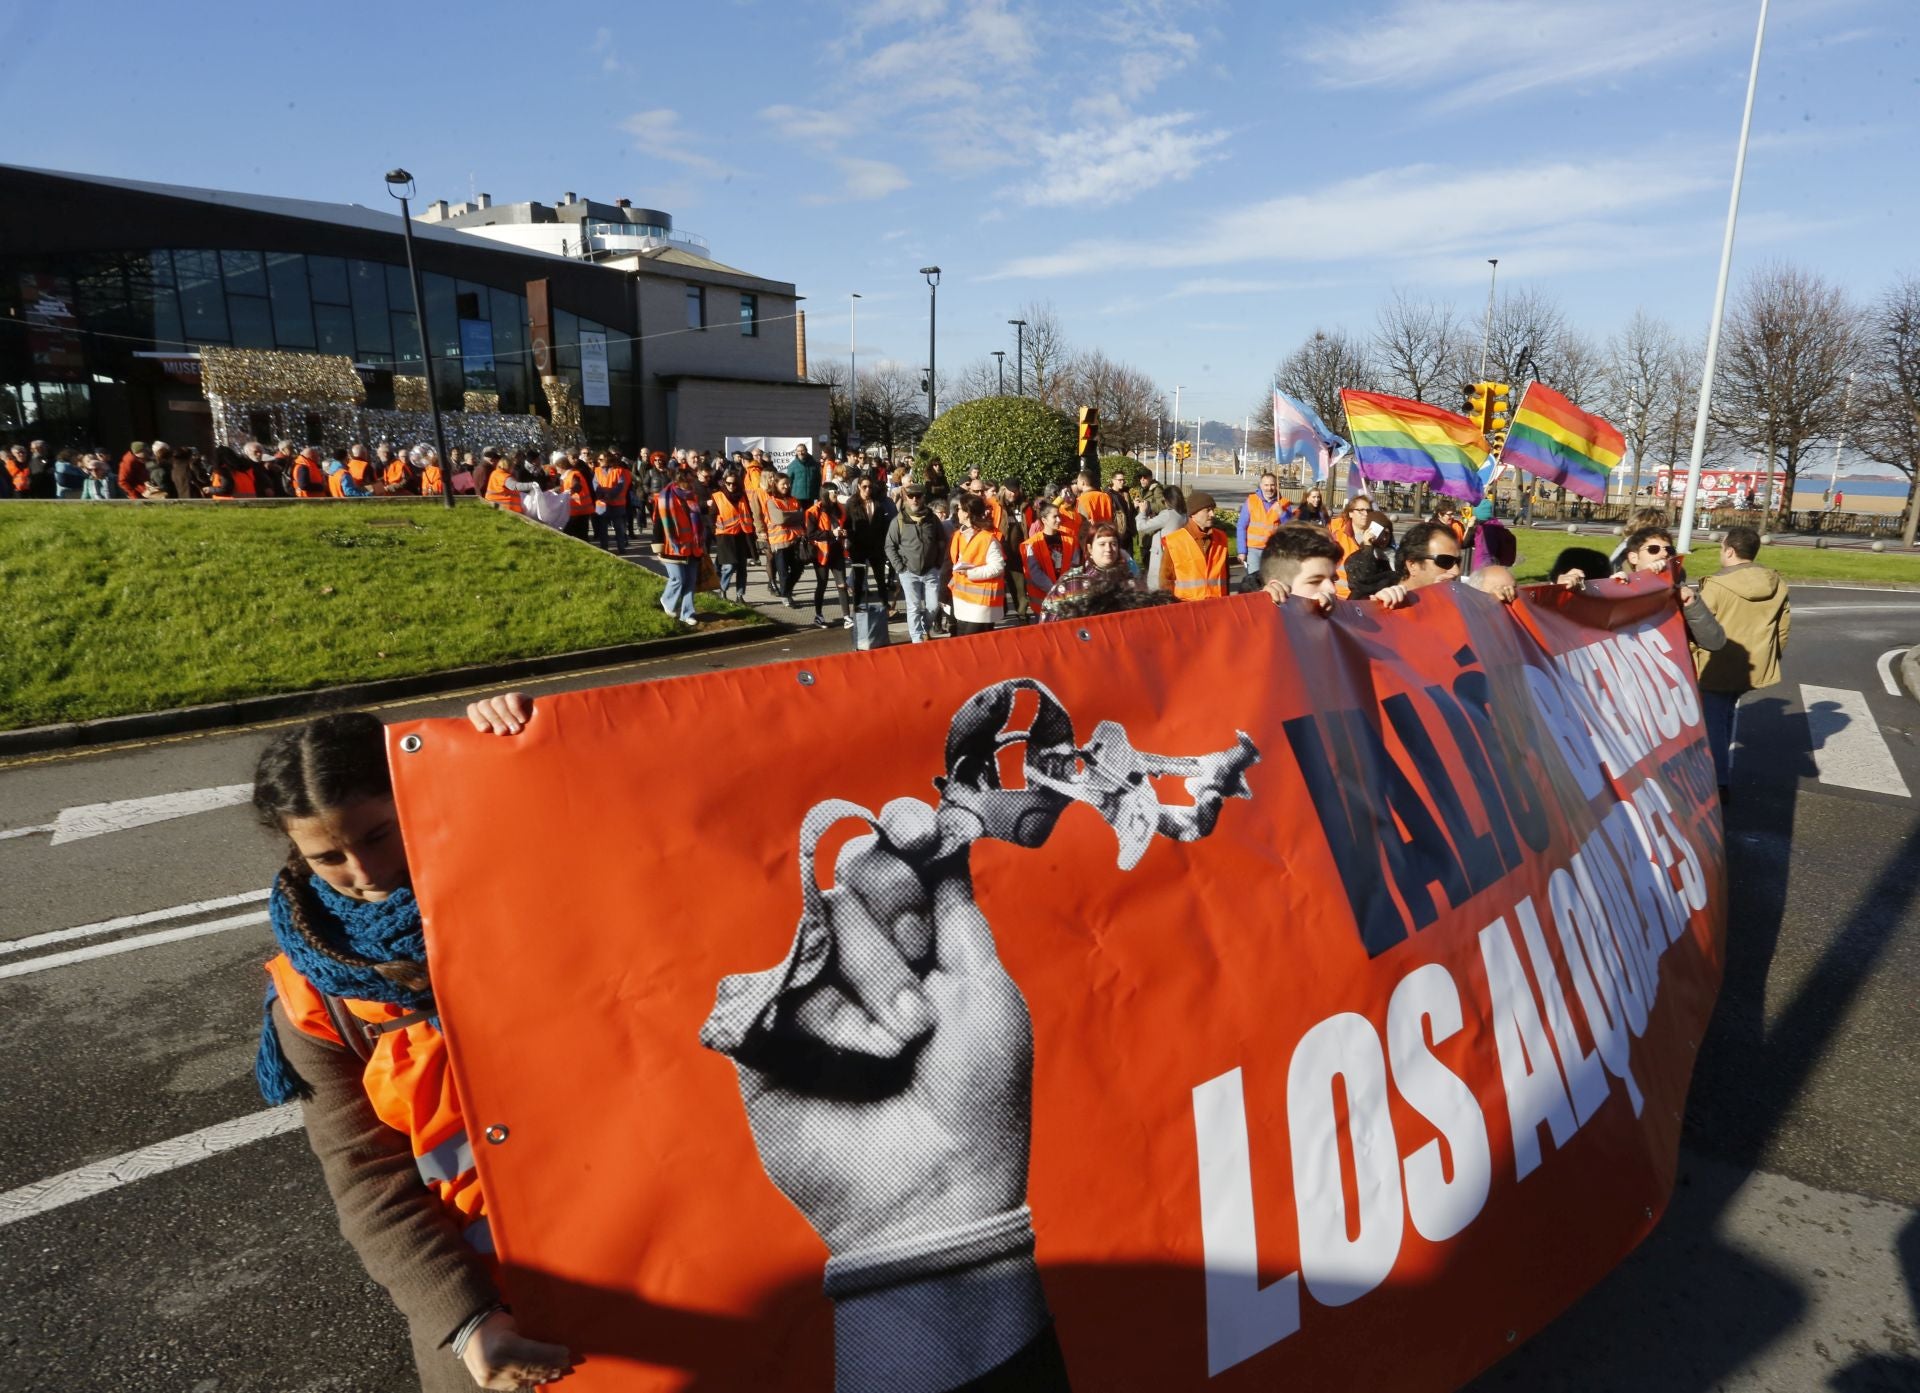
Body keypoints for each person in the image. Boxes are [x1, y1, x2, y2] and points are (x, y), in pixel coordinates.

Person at [249, 713, 576, 1392]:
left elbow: (641, 817)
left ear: (416, 797)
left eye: (377, 833)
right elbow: (368, 1178)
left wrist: (517, 745)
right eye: (328, 856)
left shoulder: (540, 885)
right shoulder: (310, 997)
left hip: (651, 1243)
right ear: (294, 853)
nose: (364, 872)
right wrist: (465, 1320)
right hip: (490, 1311)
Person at [1694, 526, 1789, 800]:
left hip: (1717, 663)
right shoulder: (1776, 583)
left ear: (1730, 550)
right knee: (1726, 714)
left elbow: (1699, 626)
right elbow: (1783, 628)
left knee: (1713, 721)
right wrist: (1771, 657)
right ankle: (1721, 771)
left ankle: (1717, 782)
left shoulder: (1716, 586)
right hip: (1754, 664)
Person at [1615, 524, 1725, 653]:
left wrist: (1691, 604)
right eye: (1653, 549)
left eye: (1669, 550)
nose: (1664, 554)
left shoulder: (1680, 591)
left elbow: (1714, 642)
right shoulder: (1619, 584)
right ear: (1633, 557)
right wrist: (1615, 588)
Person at [1255, 525, 1408, 612]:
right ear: (1278, 588)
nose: (1332, 589)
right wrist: (1264, 607)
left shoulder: (1333, 617)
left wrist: (1378, 610)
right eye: (1314, 581)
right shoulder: (1261, 635)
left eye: (1333, 580)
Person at [885, 481, 947, 643]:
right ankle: (916, 640)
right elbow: (889, 546)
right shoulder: (898, 520)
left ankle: (925, 628)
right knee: (913, 607)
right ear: (905, 497)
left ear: (923, 497)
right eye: (910, 496)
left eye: (918, 496)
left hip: (930, 570)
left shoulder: (932, 519)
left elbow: (942, 541)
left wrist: (937, 563)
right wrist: (900, 567)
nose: (914, 500)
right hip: (908, 572)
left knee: (933, 607)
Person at [947, 493, 1006, 636]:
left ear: (967, 514)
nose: (957, 512)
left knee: (974, 643)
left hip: (981, 603)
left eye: (959, 509)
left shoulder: (988, 539)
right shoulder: (958, 535)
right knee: (964, 642)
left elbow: (997, 566)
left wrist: (970, 573)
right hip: (962, 600)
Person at [1157, 491, 1229, 602]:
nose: (1212, 514)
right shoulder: (1175, 541)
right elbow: (1166, 580)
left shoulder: (1221, 538)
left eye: (1213, 510)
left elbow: (1226, 576)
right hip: (1187, 608)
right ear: (1193, 513)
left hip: (1217, 606)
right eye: (1208, 510)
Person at [657, 467, 706, 628]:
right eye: (689, 481)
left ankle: (687, 613)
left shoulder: (693, 495)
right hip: (673, 547)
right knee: (678, 579)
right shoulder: (666, 496)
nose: (692, 484)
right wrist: (657, 547)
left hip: (693, 546)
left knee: (690, 581)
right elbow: (658, 523)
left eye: (692, 481)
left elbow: (697, 520)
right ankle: (667, 599)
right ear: (679, 481)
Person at [843, 473, 894, 614]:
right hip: (858, 546)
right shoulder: (852, 503)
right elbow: (847, 524)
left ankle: (885, 604)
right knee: (859, 578)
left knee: (880, 577)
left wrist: (885, 543)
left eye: (870, 487)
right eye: (864, 487)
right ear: (859, 486)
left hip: (876, 545)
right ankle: (857, 606)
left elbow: (883, 525)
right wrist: (849, 539)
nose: (867, 490)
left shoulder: (877, 503)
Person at [804, 488, 854, 629]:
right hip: (821, 553)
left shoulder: (840, 509)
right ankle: (818, 615)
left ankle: (847, 617)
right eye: (834, 492)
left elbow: (848, 525)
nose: (836, 495)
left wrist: (845, 532)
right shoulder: (813, 511)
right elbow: (811, 535)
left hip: (837, 551)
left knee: (842, 584)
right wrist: (831, 533)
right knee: (822, 583)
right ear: (825, 493)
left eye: (837, 492)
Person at [709, 468, 757, 604]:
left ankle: (740, 595)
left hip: (741, 535)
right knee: (729, 566)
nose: (731, 486)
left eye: (734, 484)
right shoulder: (717, 496)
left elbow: (749, 514)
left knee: (742, 567)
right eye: (729, 483)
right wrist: (715, 534)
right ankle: (722, 591)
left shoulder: (742, 496)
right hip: (724, 536)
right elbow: (711, 517)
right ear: (724, 483)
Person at [1021, 502, 1080, 607]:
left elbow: (1075, 566)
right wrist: (1054, 590)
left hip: (1067, 596)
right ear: (1044, 520)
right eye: (1055, 517)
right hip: (1044, 600)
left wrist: (1064, 588)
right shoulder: (1033, 543)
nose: (1059, 520)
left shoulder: (1070, 539)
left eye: (1059, 516)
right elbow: (1035, 572)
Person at [763, 471, 807, 606]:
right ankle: (786, 595)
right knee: (783, 573)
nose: (787, 486)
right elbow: (779, 518)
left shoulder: (794, 500)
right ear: (775, 485)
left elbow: (802, 516)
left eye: (788, 483)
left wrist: (790, 516)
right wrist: (795, 515)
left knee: (798, 569)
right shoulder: (771, 501)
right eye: (783, 484)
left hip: (795, 541)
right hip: (780, 543)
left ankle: (786, 592)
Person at [1237, 472, 1291, 580]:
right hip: (1253, 550)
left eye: (1272, 485)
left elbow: (1290, 528)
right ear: (1261, 486)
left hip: (1273, 550)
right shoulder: (1251, 500)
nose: (1269, 488)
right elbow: (1241, 526)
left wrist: (1282, 514)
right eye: (1266, 485)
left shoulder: (1283, 503)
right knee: (1254, 582)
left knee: (1272, 581)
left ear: (1276, 486)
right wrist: (1242, 551)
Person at [1135, 485, 1187, 590]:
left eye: (1164, 500)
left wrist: (1142, 512)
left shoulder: (1167, 514)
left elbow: (1141, 527)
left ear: (1168, 500)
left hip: (1161, 555)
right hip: (1176, 553)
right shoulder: (1184, 514)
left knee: (1156, 586)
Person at [1397, 520, 1463, 591]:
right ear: (1412, 565)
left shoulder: (1454, 598)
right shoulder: (1388, 599)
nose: (1456, 572)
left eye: (1458, 561)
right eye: (1445, 561)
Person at [591, 451, 632, 553]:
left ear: (607, 459)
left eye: (601, 459)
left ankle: (621, 548)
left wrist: (610, 494)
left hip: (617, 505)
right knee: (603, 529)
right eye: (598, 459)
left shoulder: (618, 471)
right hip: (602, 504)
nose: (598, 461)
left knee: (619, 528)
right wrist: (603, 494)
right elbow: (595, 484)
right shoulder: (597, 471)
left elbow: (620, 485)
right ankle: (604, 548)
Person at [787, 442, 821, 508]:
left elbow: (818, 480)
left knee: (809, 515)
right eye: (798, 451)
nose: (801, 453)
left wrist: (818, 495)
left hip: (811, 496)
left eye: (802, 450)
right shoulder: (792, 465)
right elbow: (789, 481)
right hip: (797, 497)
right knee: (799, 516)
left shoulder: (814, 464)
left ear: (806, 451)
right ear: (796, 452)